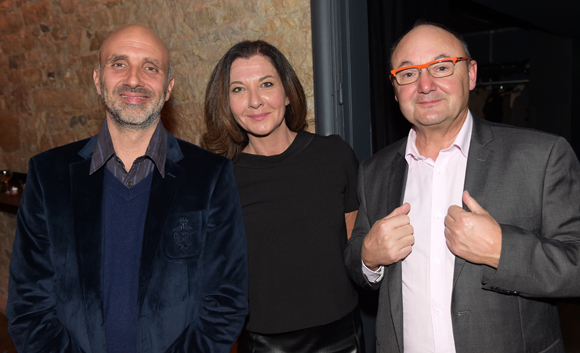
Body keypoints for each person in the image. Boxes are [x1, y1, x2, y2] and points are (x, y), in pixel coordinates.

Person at [7, 24, 248, 352]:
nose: (134, 79)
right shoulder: (48, 175)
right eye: (119, 64)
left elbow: (226, 303)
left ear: (168, 88)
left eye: (151, 68)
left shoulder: (210, 176)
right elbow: (29, 307)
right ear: (97, 79)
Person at [344, 21, 580, 353]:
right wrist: (368, 257)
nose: (425, 85)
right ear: (395, 88)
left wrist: (502, 250)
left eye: (441, 67)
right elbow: (355, 259)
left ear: (470, 74)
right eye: (408, 73)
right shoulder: (374, 170)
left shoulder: (541, 157)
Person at [202, 40, 365, 352]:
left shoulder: (334, 155)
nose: (254, 101)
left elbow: (355, 252)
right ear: (226, 103)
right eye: (238, 89)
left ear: (287, 93)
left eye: (266, 84)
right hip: (263, 343)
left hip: (342, 337)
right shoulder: (219, 180)